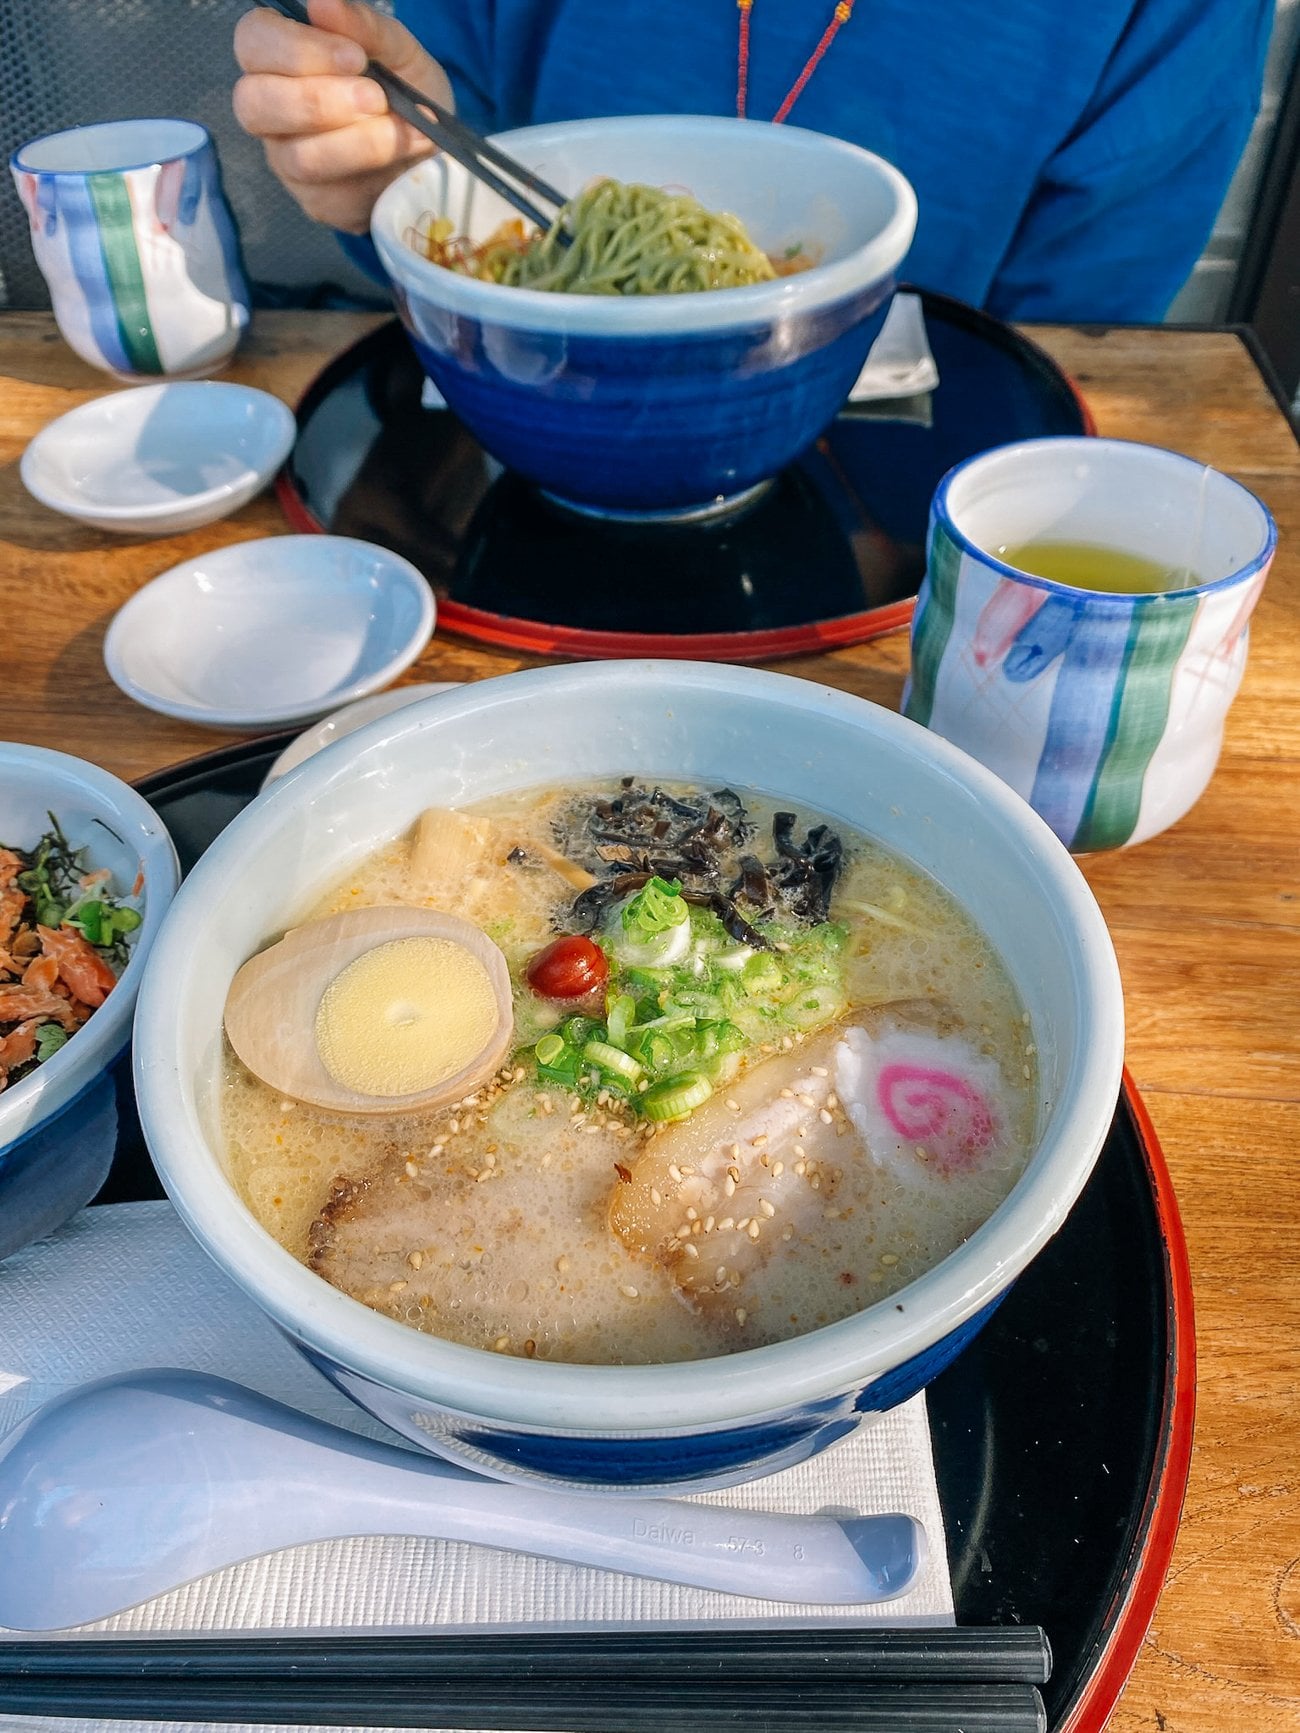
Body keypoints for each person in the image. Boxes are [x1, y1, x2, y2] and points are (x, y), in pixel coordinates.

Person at [232, 0, 1272, 322]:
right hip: (515, 470)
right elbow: (448, 196)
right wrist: (388, 176)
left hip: (910, 548)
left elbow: (1072, 352)